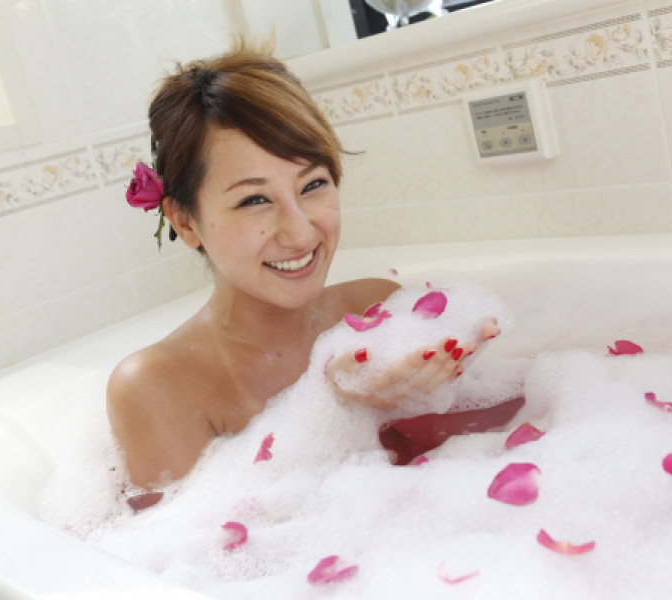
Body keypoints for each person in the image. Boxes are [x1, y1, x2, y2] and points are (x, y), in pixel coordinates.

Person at [107, 39, 499, 491]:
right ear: (184, 221)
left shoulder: (378, 305)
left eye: (313, 184)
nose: (300, 233)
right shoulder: (155, 387)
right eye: (254, 200)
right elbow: (207, 537)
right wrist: (331, 405)